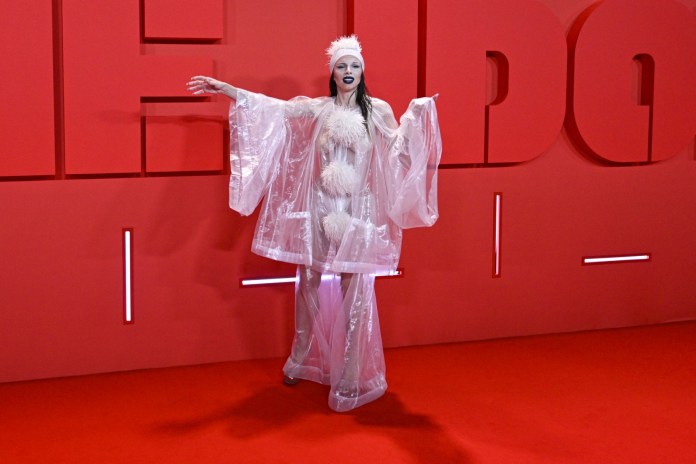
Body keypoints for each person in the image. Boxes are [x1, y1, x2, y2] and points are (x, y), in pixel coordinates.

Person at [187, 35, 441, 412]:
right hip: (319, 210)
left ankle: (351, 376)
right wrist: (226, 89)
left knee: (355, 292)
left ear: (362, 71)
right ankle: (301, 360)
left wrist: (417, 116)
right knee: (307, 284)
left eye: (354, 66)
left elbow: (400, 149)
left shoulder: (378, 111)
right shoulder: (317, 109)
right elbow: (271, 110)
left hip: (359, 213)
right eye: (342, 66)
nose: (349, 72)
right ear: (333, 73)